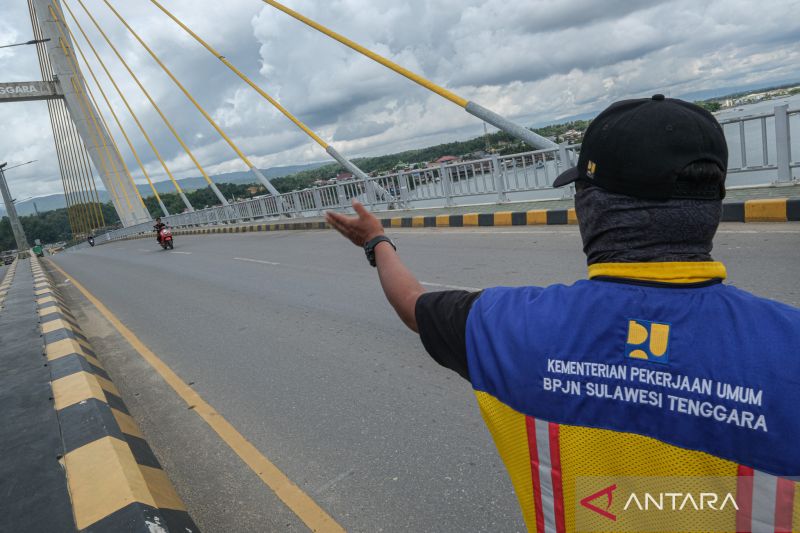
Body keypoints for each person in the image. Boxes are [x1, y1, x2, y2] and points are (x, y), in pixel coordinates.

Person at [326, 95, 800, 532]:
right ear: (714, 203)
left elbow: (412, 305)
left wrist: (376, 241)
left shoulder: (510, 325)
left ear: (589, 207)